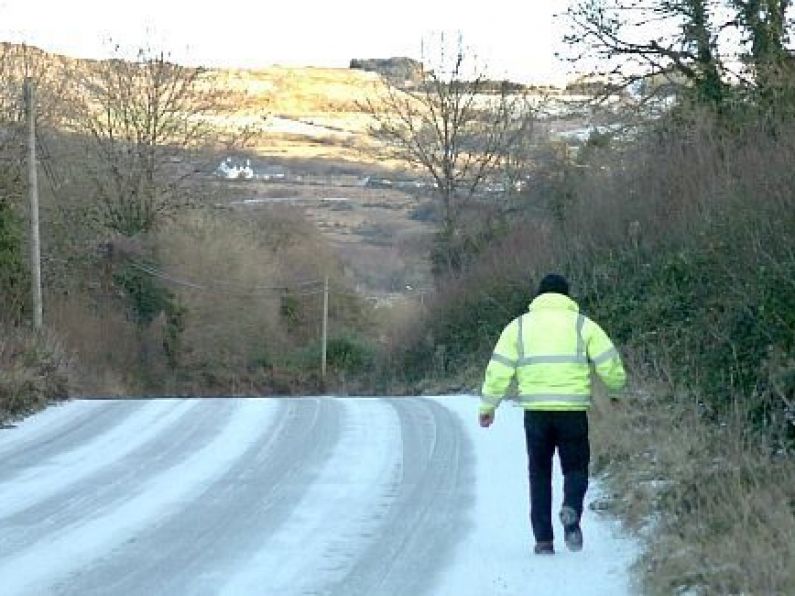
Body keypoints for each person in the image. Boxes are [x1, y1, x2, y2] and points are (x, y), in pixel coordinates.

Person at [478, 273, 626, 555]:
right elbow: (609, 361)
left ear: (539, 296)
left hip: (536, 414)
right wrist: (617, 390)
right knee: (576, 468)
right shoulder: (583, 325)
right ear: (567, 296)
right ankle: (571, 507)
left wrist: (488, 406)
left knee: (539, 473)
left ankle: (543, 540)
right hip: (572, 412)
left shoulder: (519, 326)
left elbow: (498, 369)